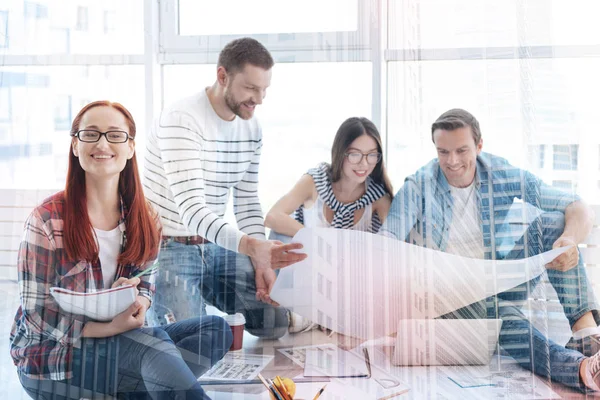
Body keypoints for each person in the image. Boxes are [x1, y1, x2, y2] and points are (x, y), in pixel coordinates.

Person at [10, 101, 232, 399]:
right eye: (91, 134)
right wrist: (110, 327)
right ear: (75, 145)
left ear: (130, 148)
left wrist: (138, 299)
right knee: (151, 348)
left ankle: (136, 387)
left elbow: (147, 287)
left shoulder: (146, 218)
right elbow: (37, 316)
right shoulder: (46, 220)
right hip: (53, 360)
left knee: (216, 330)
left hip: (118, 346)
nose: (102, 143)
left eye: (115, 135)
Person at [380, 108, 600, 391]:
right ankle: (581, 368)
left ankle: (586, 335)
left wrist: (569, 240)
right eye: (443, 152)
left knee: (554, 223)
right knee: (500, 316)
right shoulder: (418, 185)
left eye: (461, 150)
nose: (453, 161)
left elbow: (576, 206)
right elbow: (386, 239)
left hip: (495, 283)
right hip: (447, 298)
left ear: (479, 145)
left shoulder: (498, 172)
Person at [143, 37, 305, 339]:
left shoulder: (251, 127)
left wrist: (261, 261)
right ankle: (163, 303)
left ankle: (195, 297)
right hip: (169, 246)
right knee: (191, 345)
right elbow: (192, 212)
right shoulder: (182, 119)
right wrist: (254, 248)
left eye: (264, 89)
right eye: (251, 88)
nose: (259, 99)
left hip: (216, 245)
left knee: (274, 324)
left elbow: (245, 200)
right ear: (222, 76)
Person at [265, 116, 393, 333]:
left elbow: (394, 248)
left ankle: (321, 314)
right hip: (309, 268)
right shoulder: (315, 181)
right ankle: (308, 312)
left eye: (372, 155)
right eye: (354, 154)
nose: (364, 164)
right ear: (340, 152)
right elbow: (273, 216)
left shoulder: (378, 196)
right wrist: (317, 240)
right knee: (280, 235)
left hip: (348, 277)